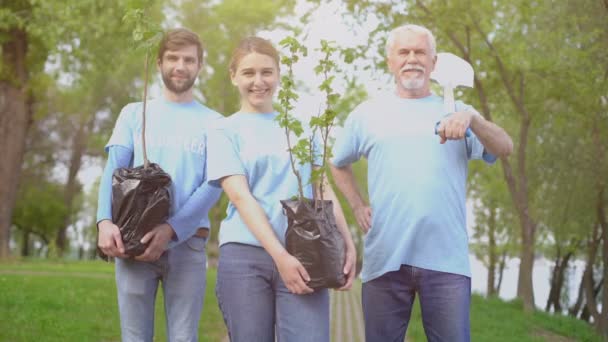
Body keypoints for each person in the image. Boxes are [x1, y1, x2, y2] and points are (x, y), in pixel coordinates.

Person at [330, 24, 513, 342]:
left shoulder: (457, 113)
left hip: (446, 262)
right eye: (404, 52)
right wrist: (358, 205)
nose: (412, 59)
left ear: (434, 61)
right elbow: (338, 164)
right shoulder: (367, 114)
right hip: (385, 257)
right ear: (390, 61)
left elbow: (505, 148)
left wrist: (473, 119)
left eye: (420, 52)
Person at [206, 36, 357, 342]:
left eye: (267, 72)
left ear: (278, 75)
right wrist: (280, 257)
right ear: (233, 76)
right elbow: (240, 196)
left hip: (306, 255)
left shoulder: (301, 126)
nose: (258, 81)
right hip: (245, 255)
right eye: (248, 73)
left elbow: (322, 188)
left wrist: (347, 242)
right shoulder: (223, 130)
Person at [96, 28, 222, 342]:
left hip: (189, 244)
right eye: (173, 58)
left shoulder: (217, 123)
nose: (181, 66)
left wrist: (172, 229)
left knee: (183, 336)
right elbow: (115, 169)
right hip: (133, 242)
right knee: (135, 337)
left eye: (189, 60)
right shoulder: (134, 113)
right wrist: (104, 221)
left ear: (199, 66)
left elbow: (214, 184)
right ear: (158, 63)